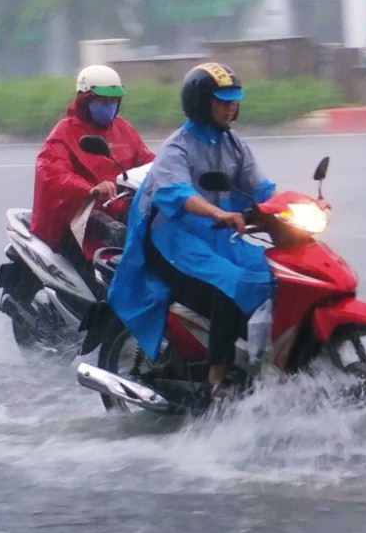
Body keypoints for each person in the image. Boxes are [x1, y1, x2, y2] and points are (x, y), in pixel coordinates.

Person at [107, 62, 276, 407]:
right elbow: (177, 194)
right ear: (201, 103)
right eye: (223, 100)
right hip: (171, 241)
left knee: (276, 273)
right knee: (230, 287)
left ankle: (266, 359)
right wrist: (219, 213)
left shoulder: (234, 145)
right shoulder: (177, 148)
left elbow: (261, 188)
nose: (232, 107)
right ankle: (217, 381)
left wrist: (291, 209)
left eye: (234, 100)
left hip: (216, 237)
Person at [30, 64, 155, 264]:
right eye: (103, 101)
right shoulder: (64, 132)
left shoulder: (124, 130)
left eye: (114, 101)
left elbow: (149, 162)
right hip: (82, 213)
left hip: (124, 206)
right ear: (85, 100)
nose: (110, 106)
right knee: (115, 235)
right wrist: (91, 189)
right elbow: (53, 172)